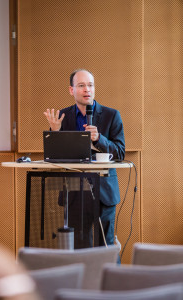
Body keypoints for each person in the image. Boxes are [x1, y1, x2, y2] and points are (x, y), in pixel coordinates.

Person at [44, 69, 125, 248]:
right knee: (80, 246)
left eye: (90, 85)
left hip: (104, 191)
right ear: (71, 90)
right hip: (74, 192)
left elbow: (120, 152)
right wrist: (55, 132)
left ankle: (111, 276)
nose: (87, 89)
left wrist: (99, 139)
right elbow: (54, 156)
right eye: (81, 85)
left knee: (106, 245)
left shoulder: (111, 115)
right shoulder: (62, 117)